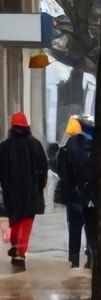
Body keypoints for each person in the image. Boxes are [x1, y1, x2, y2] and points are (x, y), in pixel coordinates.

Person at [0, 111, 48, 270]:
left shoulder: (4, 147)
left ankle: (17, 250)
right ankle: (20, 252)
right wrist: (39, 186)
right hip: (31, 194)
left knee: (15, 223)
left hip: (11, 194)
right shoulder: (35, 144)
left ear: (12, 126)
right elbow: (43, 169)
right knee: (26, 226)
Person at [56, 116, 97, 269]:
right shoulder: (96, 145)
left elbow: (60, 171)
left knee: (74, 229)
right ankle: (92, 255)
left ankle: (73, 262)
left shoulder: (66, 147)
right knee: (91, 228)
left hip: (74, 196)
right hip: (92, 197)